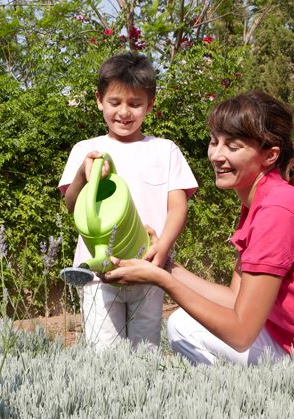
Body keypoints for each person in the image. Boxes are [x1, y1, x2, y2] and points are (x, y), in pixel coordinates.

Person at [103, 90, 294, 387]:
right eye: (214, 142)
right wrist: (166, 265)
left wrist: (161, 280)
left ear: (270, 155)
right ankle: (242, 412)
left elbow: (241, 332)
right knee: (183, 326)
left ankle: (251, 416)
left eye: (233, 146)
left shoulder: (278, 209)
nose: (217, 155)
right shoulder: (259, 203)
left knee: (198, 333)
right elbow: (235, 300)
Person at [59, 53, 198, 351]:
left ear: (150, 104)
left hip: (147, 269)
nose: (124, 112)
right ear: (99, 100)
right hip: (99, 274)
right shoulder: (86, 150)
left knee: (146, 354)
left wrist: (162, 249)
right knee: (103, 355)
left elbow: (178, 206)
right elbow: (72, 205)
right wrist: (84, 174)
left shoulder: (165, 150)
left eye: (135, 104)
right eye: (115, 102)